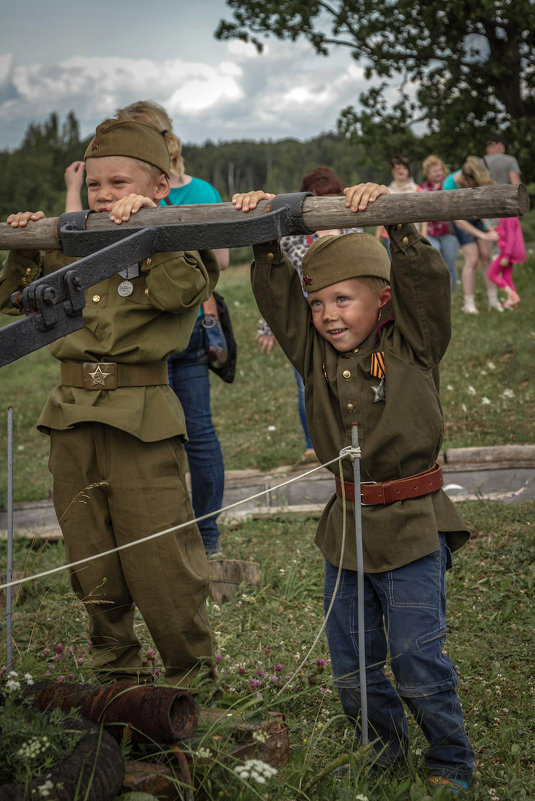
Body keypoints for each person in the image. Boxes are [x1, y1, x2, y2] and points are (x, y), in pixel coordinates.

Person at [233, 183, 474, 793]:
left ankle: (449, 759)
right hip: (346, 533)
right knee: (353, 664)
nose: (328, 315)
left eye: (343, 299)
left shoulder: (414, 345)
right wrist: (265, 233)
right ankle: (382, 753)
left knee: (417, 656)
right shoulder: (312, 353)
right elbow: (281, 299)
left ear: (383, 299)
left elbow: (425, 289)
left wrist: (398, 221)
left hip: (415, 525)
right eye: (319, 303)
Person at [1, 119, 217, 687]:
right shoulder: (72, 239)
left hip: (139, 414)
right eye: (95, 185)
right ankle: (114, 678)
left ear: (159, 186)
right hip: (71, 414)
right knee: (90, 554)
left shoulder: (171, 238)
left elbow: (179, 292)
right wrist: (32, 241)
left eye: (119, 183)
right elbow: (11, 300)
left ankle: (191, 680)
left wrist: (148, 230)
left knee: (162, 557)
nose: (104, 196)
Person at [64, 100, 228, 559]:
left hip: (183, 323)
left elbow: (220, 259)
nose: (108, 188)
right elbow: (75, 245)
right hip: (129, 333)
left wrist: (153, 224)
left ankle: (202, 536)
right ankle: (157, 535)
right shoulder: (113, 191)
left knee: (192, 432)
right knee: (152, 436)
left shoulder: (195, 192)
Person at [256, 166, 362, 462]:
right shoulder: (295, 236)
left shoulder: (353, 228)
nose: (324, 206)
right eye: (317, 200)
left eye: (330, 198)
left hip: (351, 313)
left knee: (353, 375)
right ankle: (313, 444)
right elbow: (282, 286)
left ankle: (355, 438)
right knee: (308, 381)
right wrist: (269, 326)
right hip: (308, 315)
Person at [443, 157, 500, 314]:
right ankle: (469, 304)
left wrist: (489, 227)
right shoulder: (449, 185)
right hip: (461, 220)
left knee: (487, 256)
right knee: (472, 259)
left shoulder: (476, 179)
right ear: (466, 179)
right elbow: (459, 221)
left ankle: (493, 301)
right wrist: (483, 235)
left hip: (477, 216)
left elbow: (481, 207)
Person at [419, 155, 460, 290]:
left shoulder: (449, 184)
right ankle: (437, 291)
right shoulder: (423, 188)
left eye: (439, 170)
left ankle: (453, 293)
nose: (438, 173)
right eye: (434, 171)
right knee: (434, 263)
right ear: (428, 174)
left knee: (450, 264)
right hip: (431, 232)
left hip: (449, 232)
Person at [376, 155, 418, 255]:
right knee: (394, 266)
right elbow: (382, 215)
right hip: (391, 236)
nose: (401, 171)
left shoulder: (417, 190)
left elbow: (424, 219)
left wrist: (424, 234)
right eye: (398, 168)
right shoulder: (386, 191)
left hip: (413, 235)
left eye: (404, 168)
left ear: (408, 171)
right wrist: (377, 237)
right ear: (393, 171)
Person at [487, 216, 526, 309]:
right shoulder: (506, 217)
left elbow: (511, 237)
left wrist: (506, 256)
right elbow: (503, 231)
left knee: (492, 274)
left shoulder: (510, 217)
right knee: (507, 277)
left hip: (507, 252)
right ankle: (513, 303)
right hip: (507, 251)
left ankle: (513, 296)